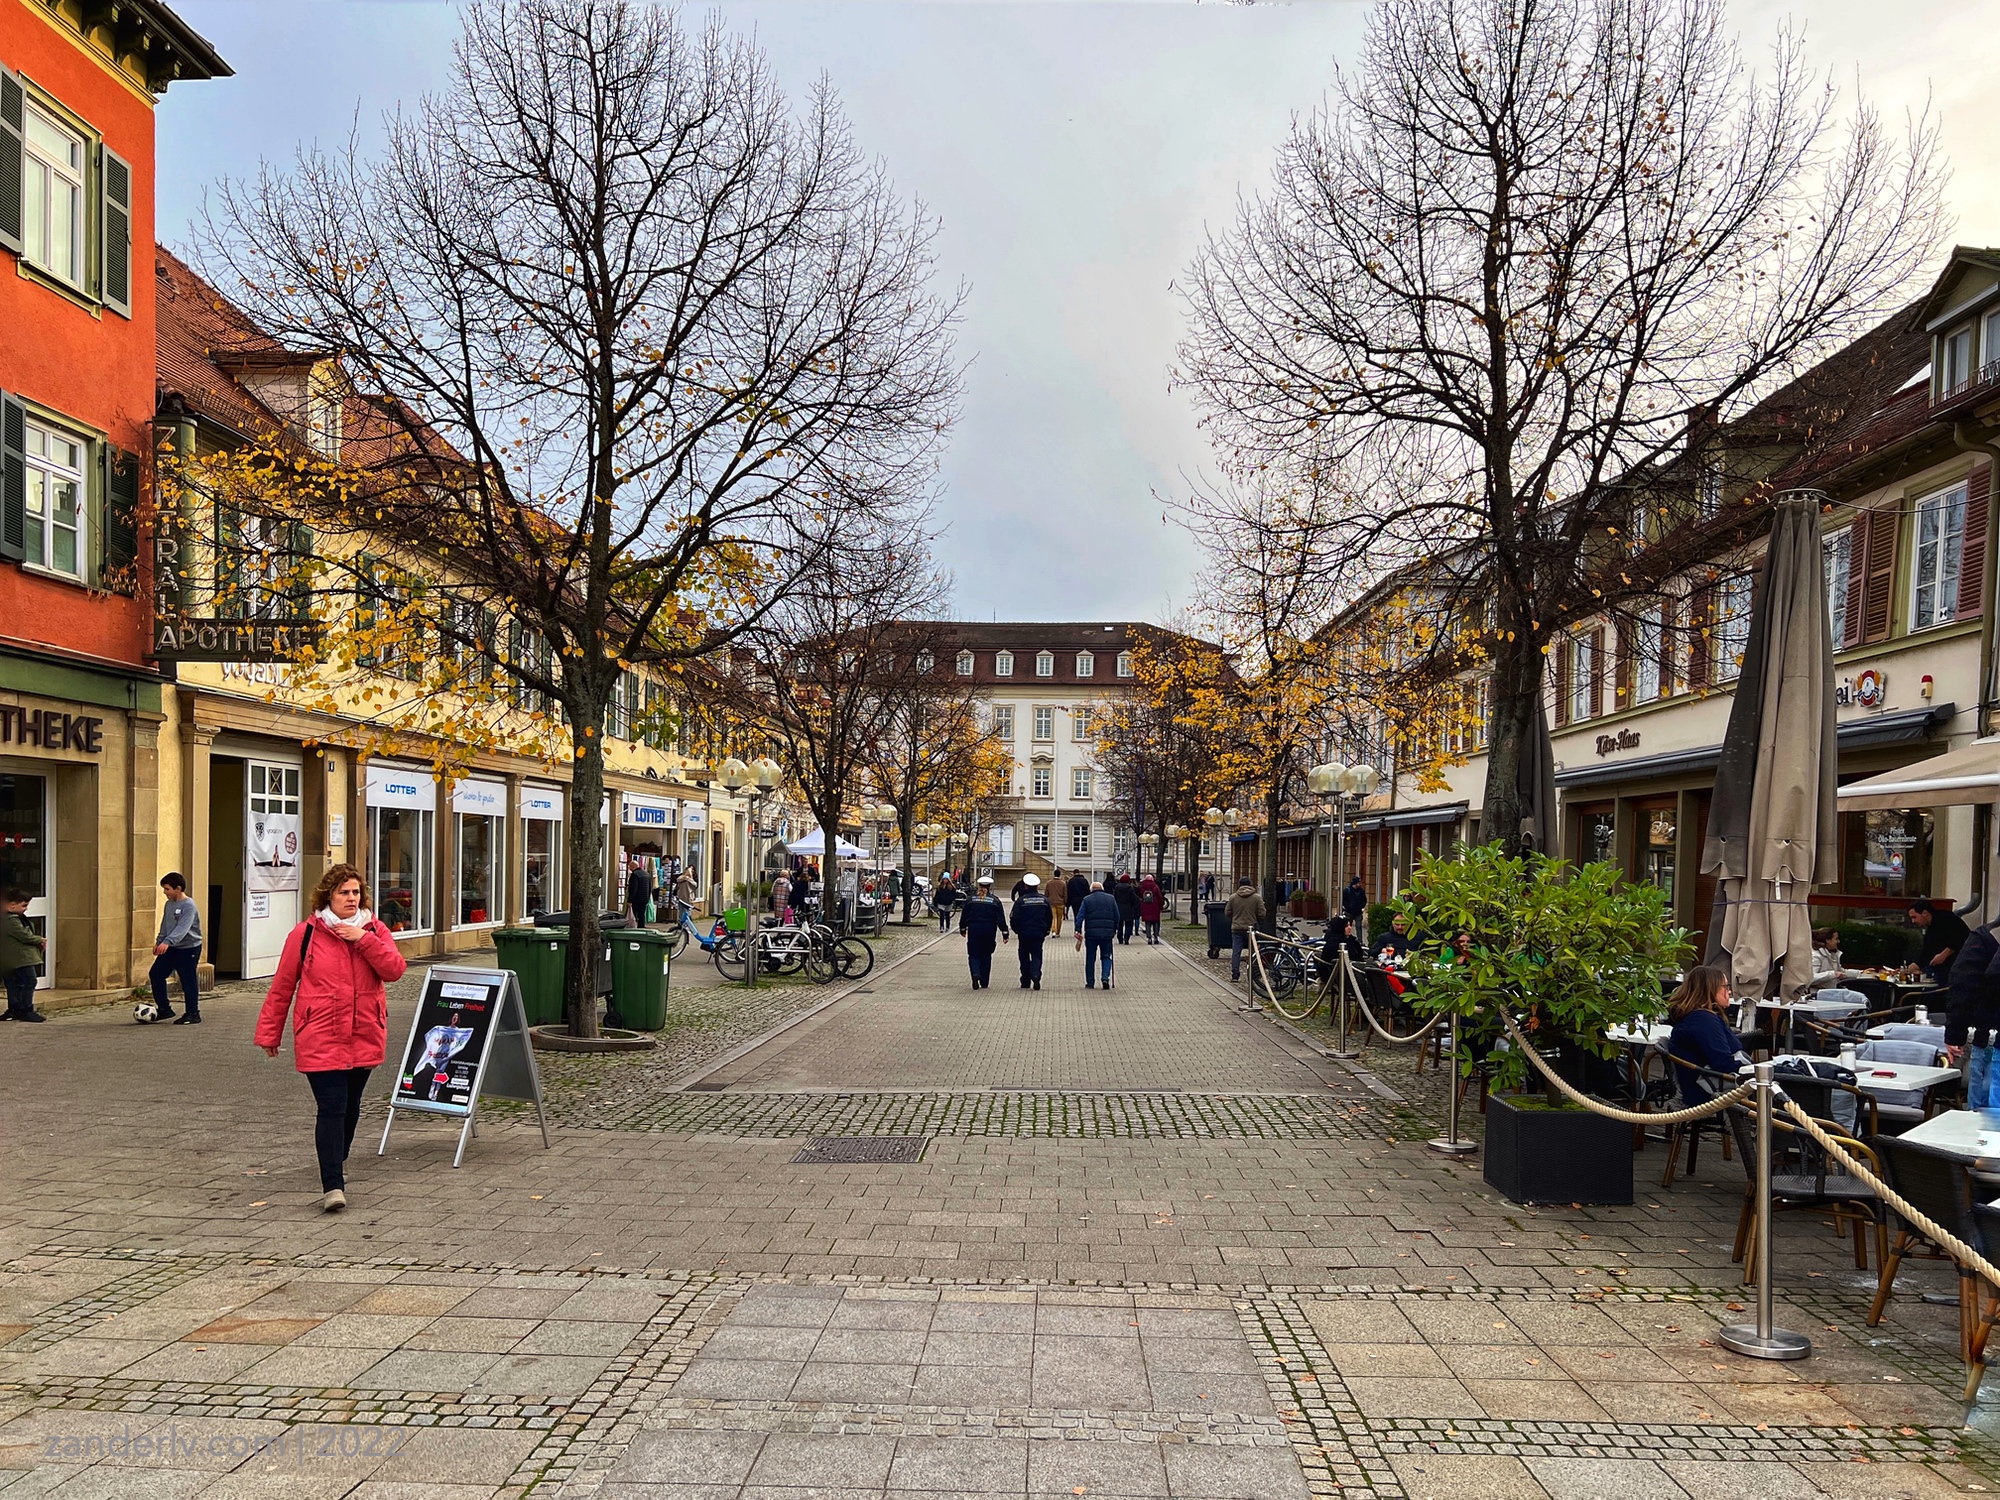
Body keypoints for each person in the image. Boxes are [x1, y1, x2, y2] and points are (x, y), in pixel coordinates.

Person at [255, 863, 407, 1213]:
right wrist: (269, 1032)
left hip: (364, 1032)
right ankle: (333, 1185)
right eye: (343, 892)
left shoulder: (375, 929)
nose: (351, 898)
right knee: (332, 1107)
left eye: (356, 892)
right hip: (320, 1034)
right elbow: (282, 987)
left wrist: (364, 940)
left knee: (351, 1107)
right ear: (328, 896)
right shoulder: (305, 934)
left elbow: (395, 970)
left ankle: (338, 1158)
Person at [1666, 965, 1750, 1105]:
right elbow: (1723, 1063)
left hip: (1704, 1086)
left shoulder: (1696, 1017)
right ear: (1710, 989)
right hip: (1709, 1092)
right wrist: (1756, 1070)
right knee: (1785, 1080)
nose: (1729, 991)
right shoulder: (1703, 1021)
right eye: (1726, 986)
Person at [150, 873, 205, 1024]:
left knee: (188, 980)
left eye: (167, 889)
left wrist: (168, 942)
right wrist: (159, 941)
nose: (164, 892)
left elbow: (183, 928)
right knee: (156, 974)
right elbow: (165, 924)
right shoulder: (169, 904)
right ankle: (164, 1009)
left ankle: (193, 1013)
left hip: (188, 948)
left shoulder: (189, 906)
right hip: (171, 947)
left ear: (178, 889)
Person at [1, 887, 47, 1022]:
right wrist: (40, 940)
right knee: (29, 981)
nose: (26, 909)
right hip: (20, 958)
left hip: (11, 958)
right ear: (12, 905)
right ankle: (26, 1010)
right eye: (24, 905)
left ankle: (15, 1009)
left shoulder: (13, 918)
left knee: (15, 983)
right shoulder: (11, 920)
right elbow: (25, 936)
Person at [959, 875, 1010, 989]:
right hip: (989, 929)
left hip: (974, 929)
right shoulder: (995, 900)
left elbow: (965, 915)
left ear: (979, 886)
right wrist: (1004, 932)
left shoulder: (971, 900)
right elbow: (1000, 918)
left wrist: (962, 928)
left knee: (973, 954)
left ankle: (975, 973)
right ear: (989, 886)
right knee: (986, 955)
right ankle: (984, 981)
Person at [1075, 880, 1122, 989]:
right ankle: (1105, 978)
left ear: (1091, 890)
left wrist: (1078, 929)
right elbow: (1117, 916)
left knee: (1090, 958)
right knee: (1106, 956)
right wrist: (1114, 929)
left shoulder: (1087, 900)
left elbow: (1080, 916)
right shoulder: (1111, 899)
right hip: (1107, 934)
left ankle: (1090, 982)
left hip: (1091, 934)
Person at [1011, 873, 1053, 989]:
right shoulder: (1044, 900)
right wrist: (1047, 930)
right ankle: (1036, 974)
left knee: (1024, 955)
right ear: (1037, 886)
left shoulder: (1021, 901)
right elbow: (1049, 917)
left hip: (1024, 932)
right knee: (1037, 954)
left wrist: (1016, 930)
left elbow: (1015, 918)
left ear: (1025, 886)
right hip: (1039, 932)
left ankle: (1025, 980)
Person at [1912, 901, 1970, 984]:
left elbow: (1960, 937)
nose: (1913, 921)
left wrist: (1944, 954)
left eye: (1914, 917)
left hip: (1961, 966)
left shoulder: (1946, 918)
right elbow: (1927, 952)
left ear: (1925, 913)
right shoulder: (1930, 929)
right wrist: (1912, 967)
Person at [1226, 880, 1265, 983]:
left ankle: (1235, 975)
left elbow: (1227, 912)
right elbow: (1262, 913)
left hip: (1237, 928)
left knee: (1236, 952)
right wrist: (1256, 919)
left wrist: (1235, 918)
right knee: (1254, 951)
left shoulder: (1233, 897)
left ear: (1239, 885)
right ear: (1250, 885)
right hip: (1251, 928)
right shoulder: (1256, 898)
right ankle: (1254, 973)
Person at [626, 859, 654, 930]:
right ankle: (641, 926)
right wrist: (648, 897)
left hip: (636, 898)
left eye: (630, 866)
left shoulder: (634, 875)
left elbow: (633, 888)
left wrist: (630, 900)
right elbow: (650, 887)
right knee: (642, 913)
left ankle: (634, 926)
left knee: (634, 913)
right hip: (645, 898)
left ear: (633, 866)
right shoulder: (646, 874)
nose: (629, 868)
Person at [1113, 874, 1141, 944]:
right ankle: (1126, 938)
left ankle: (1120, 938)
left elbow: (1115, 897)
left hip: (1119, 907)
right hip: (1128, 907)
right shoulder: (1130, 888)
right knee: (1129, 924)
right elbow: (1132, 898)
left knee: (1120, 924)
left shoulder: (1117, 887)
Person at [1137, 873, 1164, 944]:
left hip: (1146, 907)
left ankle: (1149, 938)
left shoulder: (1142, 887)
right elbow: (1160, 897)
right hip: (1155, 907)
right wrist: (1161, 906)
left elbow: (1140, 895)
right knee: (1156, 922)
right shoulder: (1155, 887)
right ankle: (1156, 937)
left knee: (1147, 923)